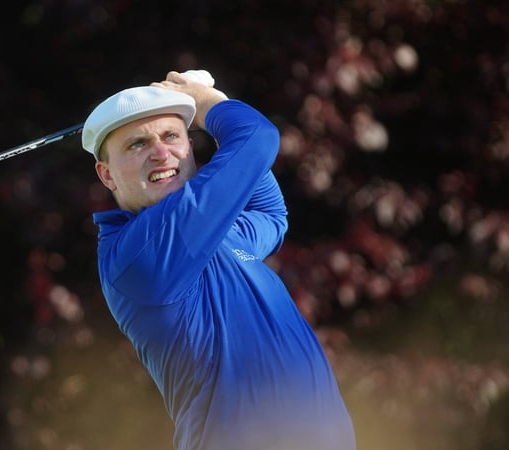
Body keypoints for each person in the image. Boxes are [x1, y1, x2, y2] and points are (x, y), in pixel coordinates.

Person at [80, 70, 357, 450]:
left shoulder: (214, 234)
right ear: (107, 175)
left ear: (190, 146)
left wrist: (212, 102)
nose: (161, 153)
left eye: (171, 136)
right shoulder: (144, 251)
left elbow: (271, 214)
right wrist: (209, 102)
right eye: (137, 144)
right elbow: (258, 139)